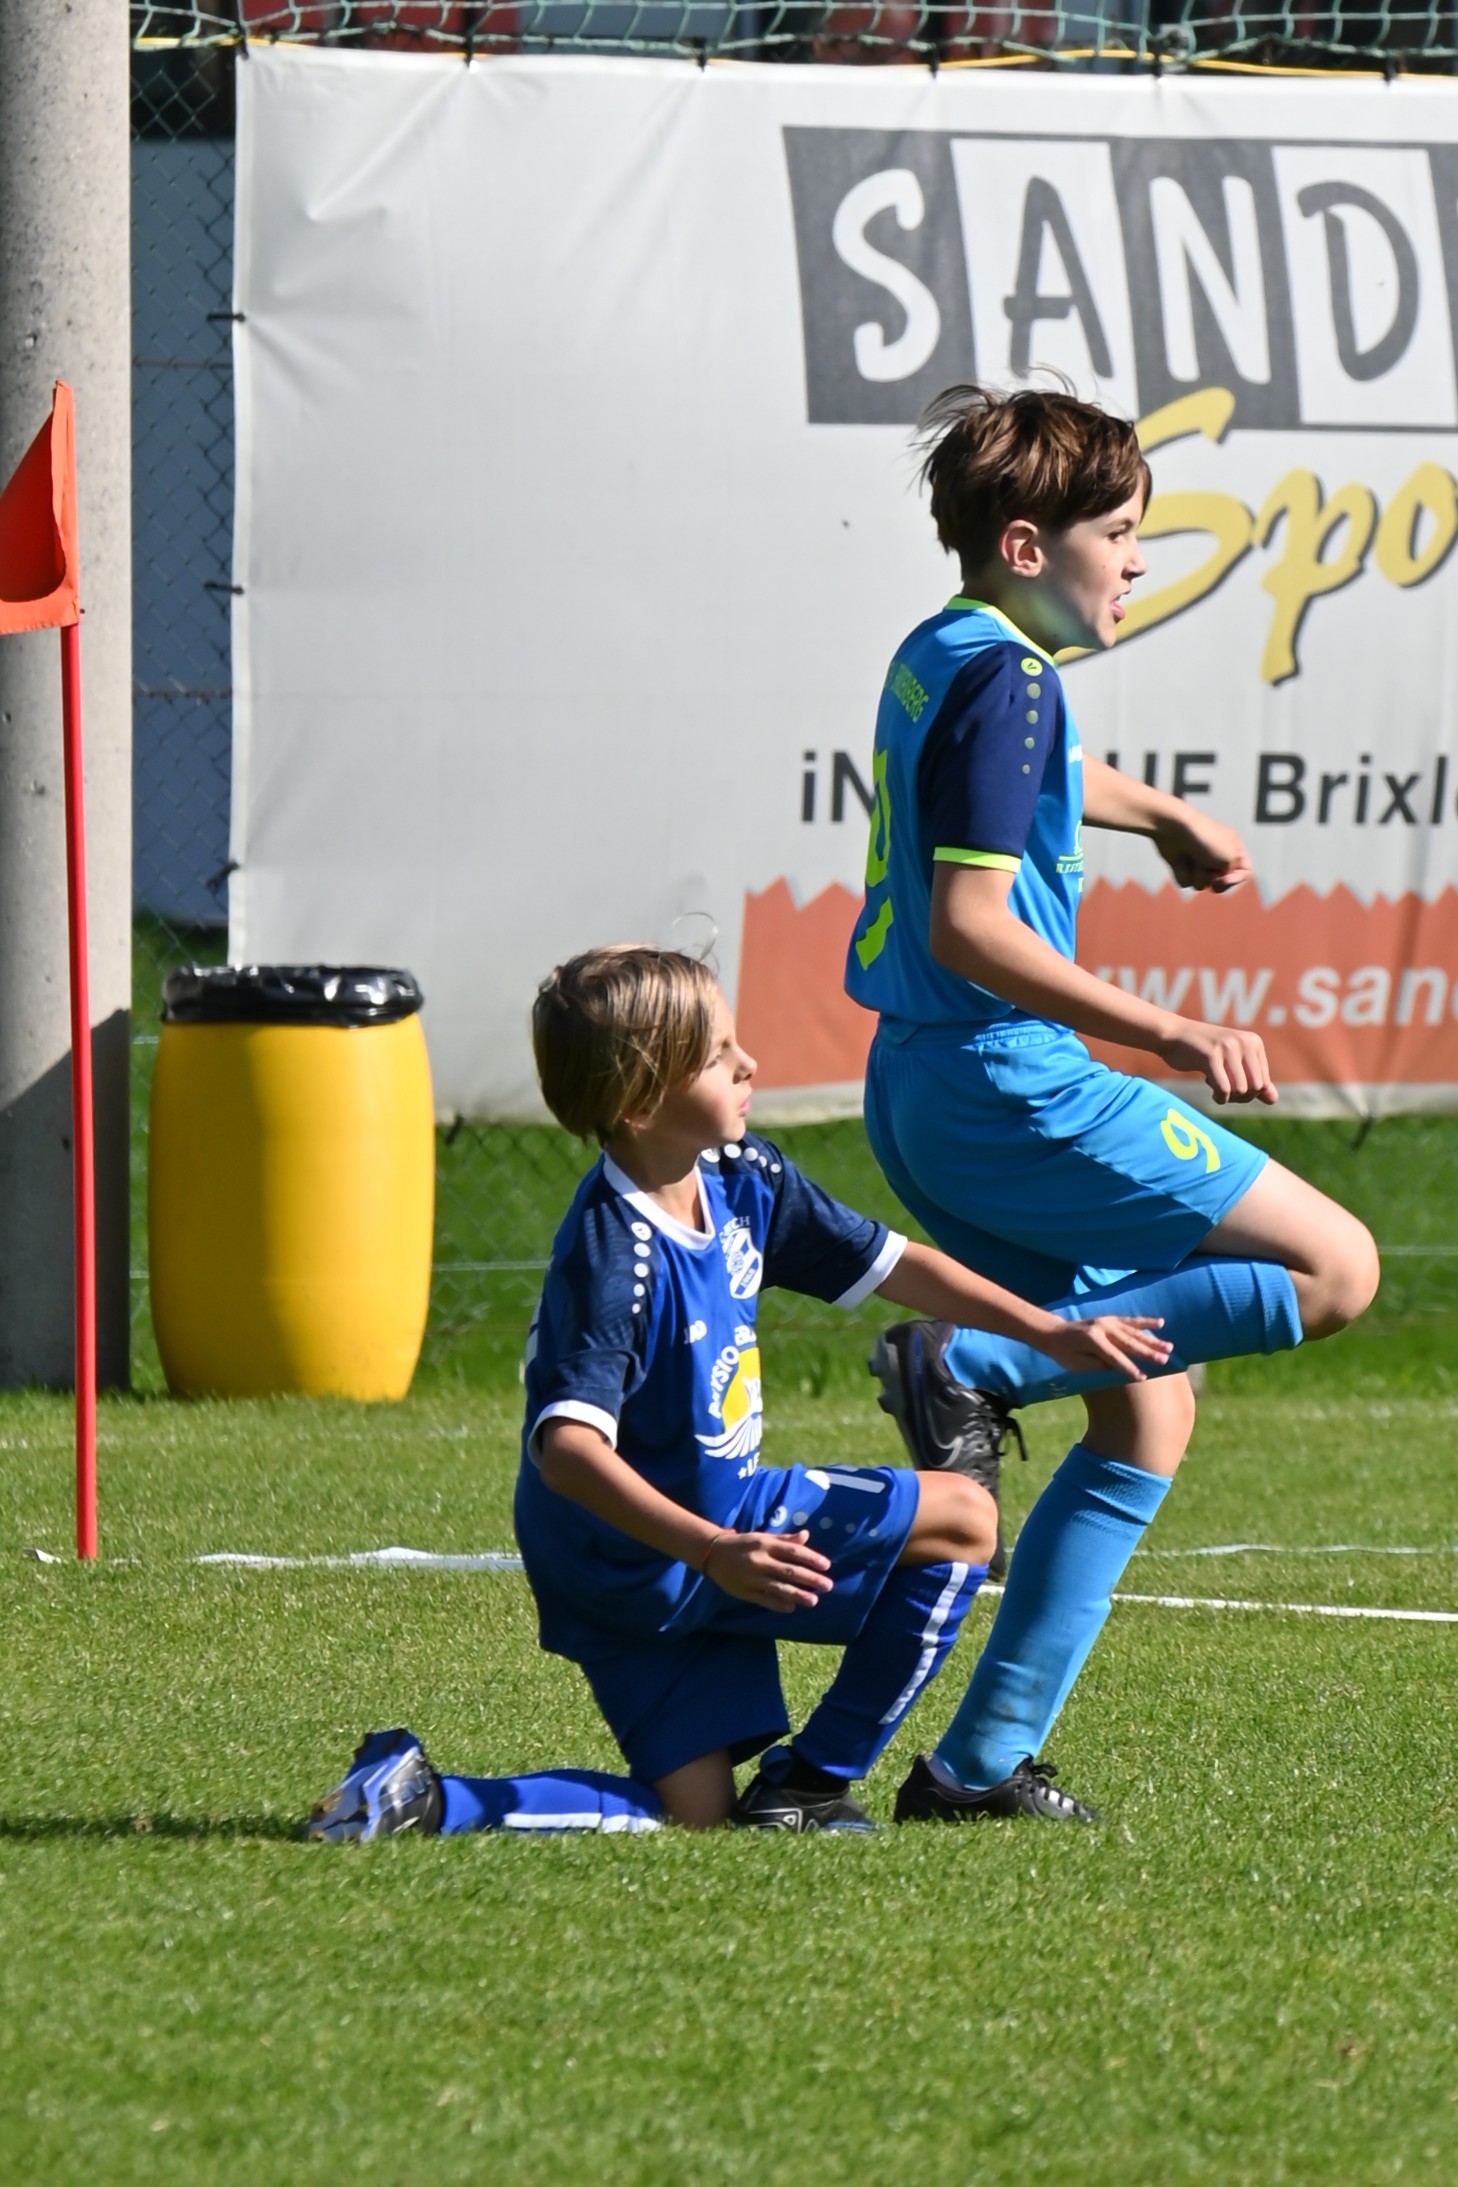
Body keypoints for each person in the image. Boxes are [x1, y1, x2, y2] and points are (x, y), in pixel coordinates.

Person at [844, 382, 1379, 1825]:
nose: (1139, 560)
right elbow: (970, 924)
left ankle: (973, 1769)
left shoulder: (948, 649)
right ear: (1028, 544)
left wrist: (1165, 816)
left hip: (922, 1086)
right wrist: (1169, 1029)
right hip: (1007, 1083)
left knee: (1146, 1415)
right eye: (1121, 533)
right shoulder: (1016, 679)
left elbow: (1035, 774)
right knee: (1335, 1268)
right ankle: (969, 1362)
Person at [309, 944, 1168, 1842]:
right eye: (718, 1056)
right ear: (640, 1102)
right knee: (964, 1514)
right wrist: (714, 1548)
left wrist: (1046, 1329)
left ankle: (433, 1800)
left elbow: (891, 1262)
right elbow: (567, 1450)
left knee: (702, 1813)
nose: (749, 1063)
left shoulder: (740, 1175)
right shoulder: (615, 1257)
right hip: (630, 1561)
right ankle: (811, 1784)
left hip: (707, 1530)